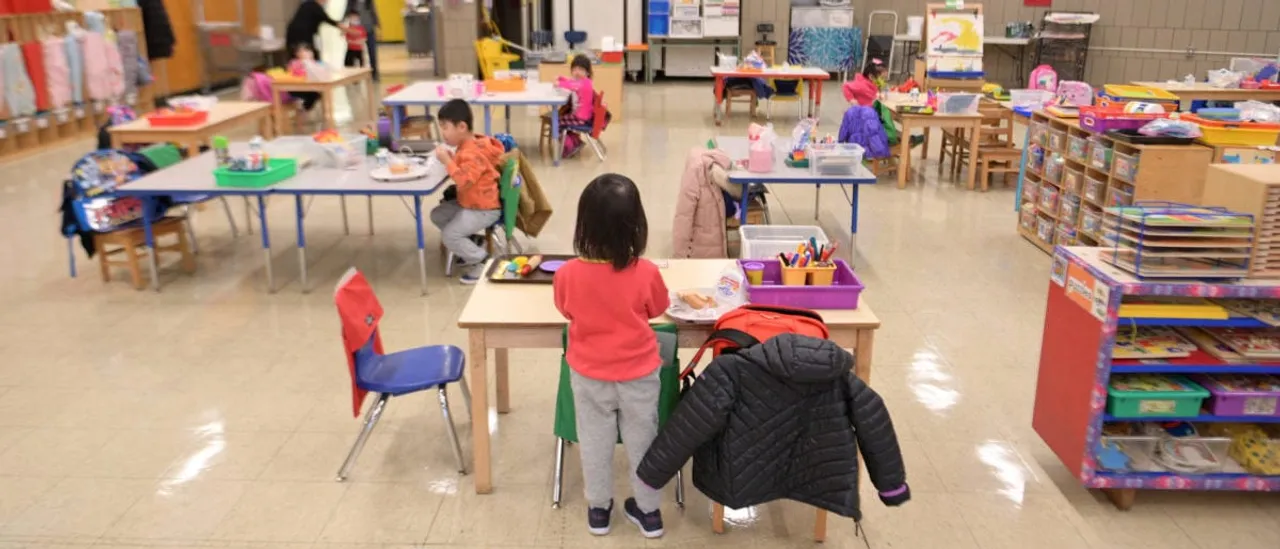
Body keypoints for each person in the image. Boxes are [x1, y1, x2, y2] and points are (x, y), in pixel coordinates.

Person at [552, 174, 669, 539]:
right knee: (643, 440)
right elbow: (658, 308)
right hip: (639, 374)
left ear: (583, 225)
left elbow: (565, 309)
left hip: (590, 373)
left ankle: (599, 510)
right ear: (637, 225)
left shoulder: (567, 274)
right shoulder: (646, 272)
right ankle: (649, 512)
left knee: (594, 441)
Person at [429, 99, 505, 284]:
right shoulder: (469, 146)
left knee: (449, 235)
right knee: (438, 215)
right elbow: (467, 170)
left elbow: (463, 181)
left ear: (461, 127)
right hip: (471, 203)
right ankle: (471, 242)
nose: (442, 132)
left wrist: (448, 162)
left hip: (483, 208)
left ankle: (483, 261)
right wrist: (452, 159)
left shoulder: (472, 153)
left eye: (445, 127)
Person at [285, 0, 341, 112]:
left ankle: (306, 100)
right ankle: (307, 99)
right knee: (307, 72)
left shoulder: (306, 5)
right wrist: (347, 29)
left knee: (308, 70)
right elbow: (330, 21)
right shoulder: (313, 6)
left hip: (296, 40)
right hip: (301, 40)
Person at [552, 54, 596, 158]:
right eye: (574, 69)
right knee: (561, 119)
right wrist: (561, 78)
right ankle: (575, 141)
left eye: (580, 69)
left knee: (556, 123)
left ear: (587, 72)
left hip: (581, 118)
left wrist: (558, 83)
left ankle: (570, 146)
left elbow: (571, 85)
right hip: (584, 116)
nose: (577, 72)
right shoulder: (585, 81)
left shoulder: (584, 83)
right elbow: (571, 82)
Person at [347, 0, 380, 80]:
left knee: (372, 52)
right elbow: (347, 12)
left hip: (369, 30)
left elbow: (373, 12)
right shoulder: (351, 1)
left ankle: (374, 73)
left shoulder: (369, 1)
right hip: (356, 32)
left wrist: (378, 25)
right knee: (354, 54)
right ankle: (354, 75)